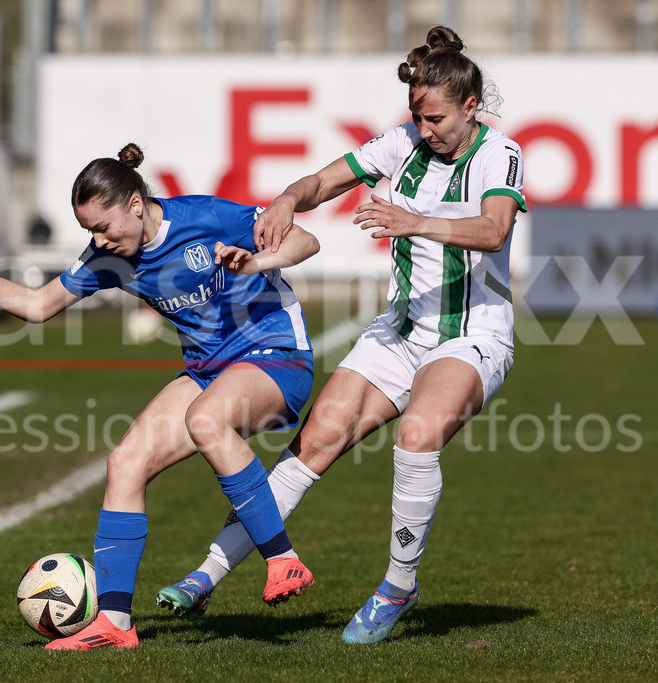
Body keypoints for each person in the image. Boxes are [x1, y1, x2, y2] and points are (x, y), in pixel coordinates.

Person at [156, 25, 527, 645]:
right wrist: (284, 202)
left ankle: (397, 588)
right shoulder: (405, 141)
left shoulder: (499, 152)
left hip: (471, 335)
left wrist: (409, 220)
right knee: (311, 448)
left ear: (469, 106)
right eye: (417, 116)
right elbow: (321, 182)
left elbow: (492, 230)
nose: (424, 129)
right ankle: (206, 575)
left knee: (417, 435)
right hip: (399, 332)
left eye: (435, 117)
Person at [0, 143, 321, 650]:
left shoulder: (205, 216)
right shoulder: (110, 256)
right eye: (89, 231)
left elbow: (306, 241)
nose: (98, 240)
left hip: (276, 354)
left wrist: (255, 261)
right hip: (209, 371)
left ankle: (283, 560)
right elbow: (40, 306)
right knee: (125, 462)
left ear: (134, 203)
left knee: (206, 420)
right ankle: (115, 623)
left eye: (103, 227)